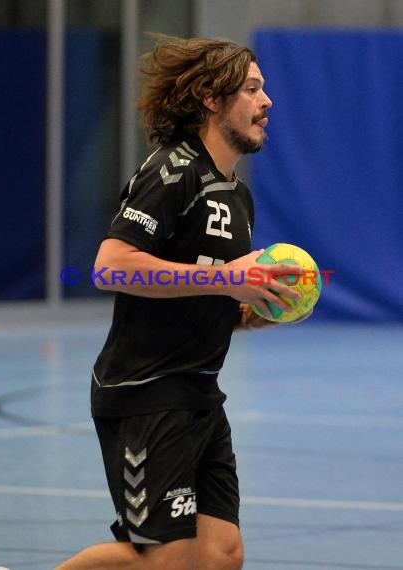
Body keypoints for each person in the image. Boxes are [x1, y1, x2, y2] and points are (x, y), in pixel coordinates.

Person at [54, 34, 305, 570]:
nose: (267, 102)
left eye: (266, 91)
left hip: (199, 394)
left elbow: (202, 290)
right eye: (253, 89)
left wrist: (248, 312)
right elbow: (111, 265)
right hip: (145, 393)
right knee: (170, 561)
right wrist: (224, 282)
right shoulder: (172, 171)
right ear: (212, 98)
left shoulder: (237, 194)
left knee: (221, 556)